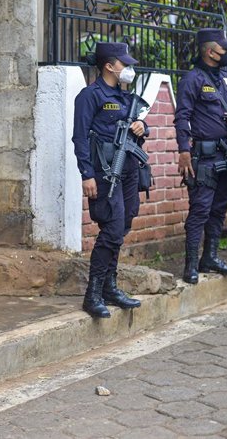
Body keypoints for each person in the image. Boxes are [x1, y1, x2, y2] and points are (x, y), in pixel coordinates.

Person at [72, 42, 145, 318]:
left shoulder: (126, 96)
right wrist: (86, 174)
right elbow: (80, 137)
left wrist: (142, 126)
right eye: (124, 64)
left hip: (128, 170)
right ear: (109, 66)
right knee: (112, 229)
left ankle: (110, 287)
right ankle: (93, 294)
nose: (128, 68)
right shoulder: (90, 95)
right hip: (105, 171)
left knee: (124, 223)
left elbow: (137, 127)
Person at [174, 28, 227, 284]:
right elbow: (182, 116)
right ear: (210, 52)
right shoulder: (192, 79)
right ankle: (191, 265)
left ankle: (210, 257)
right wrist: (183, 150)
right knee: (200, 210)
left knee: (219, 208)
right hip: (204, 158)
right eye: (223, 48)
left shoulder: (224, 76)